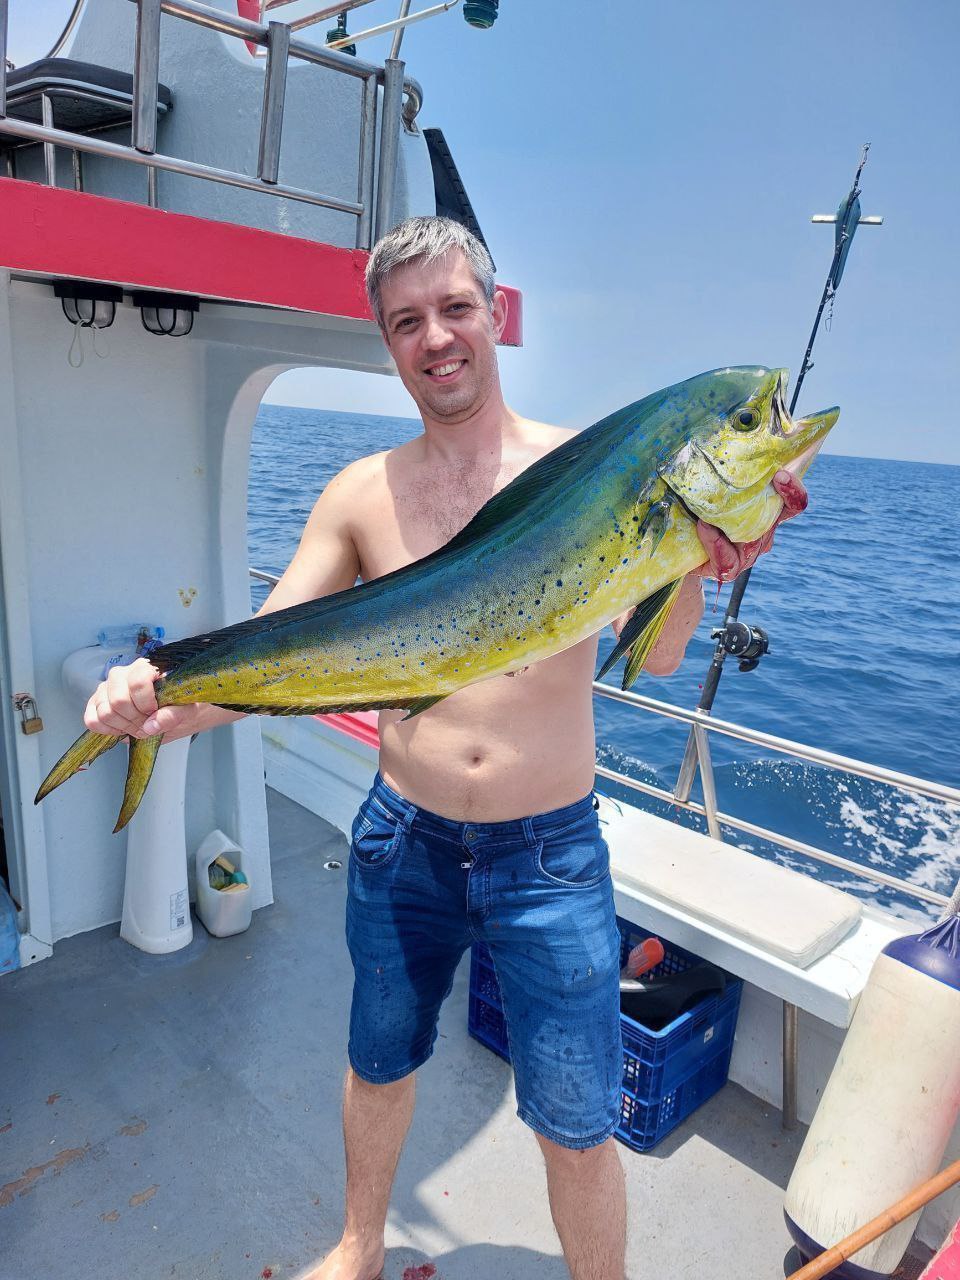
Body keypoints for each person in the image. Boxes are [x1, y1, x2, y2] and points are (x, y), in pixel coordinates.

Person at [86, 217, 807, 1280]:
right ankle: (358, 1246)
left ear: (494, 316)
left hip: (550, 858)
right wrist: (157, 699)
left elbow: (656, 658)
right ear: (388, 341)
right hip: (403, 844)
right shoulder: (360, 493)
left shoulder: (588, 469)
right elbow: (276, 651)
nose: (437, 337)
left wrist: (697, 563)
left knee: (577, 1122)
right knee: (378, 1061)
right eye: (407, 321)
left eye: (456, 308)